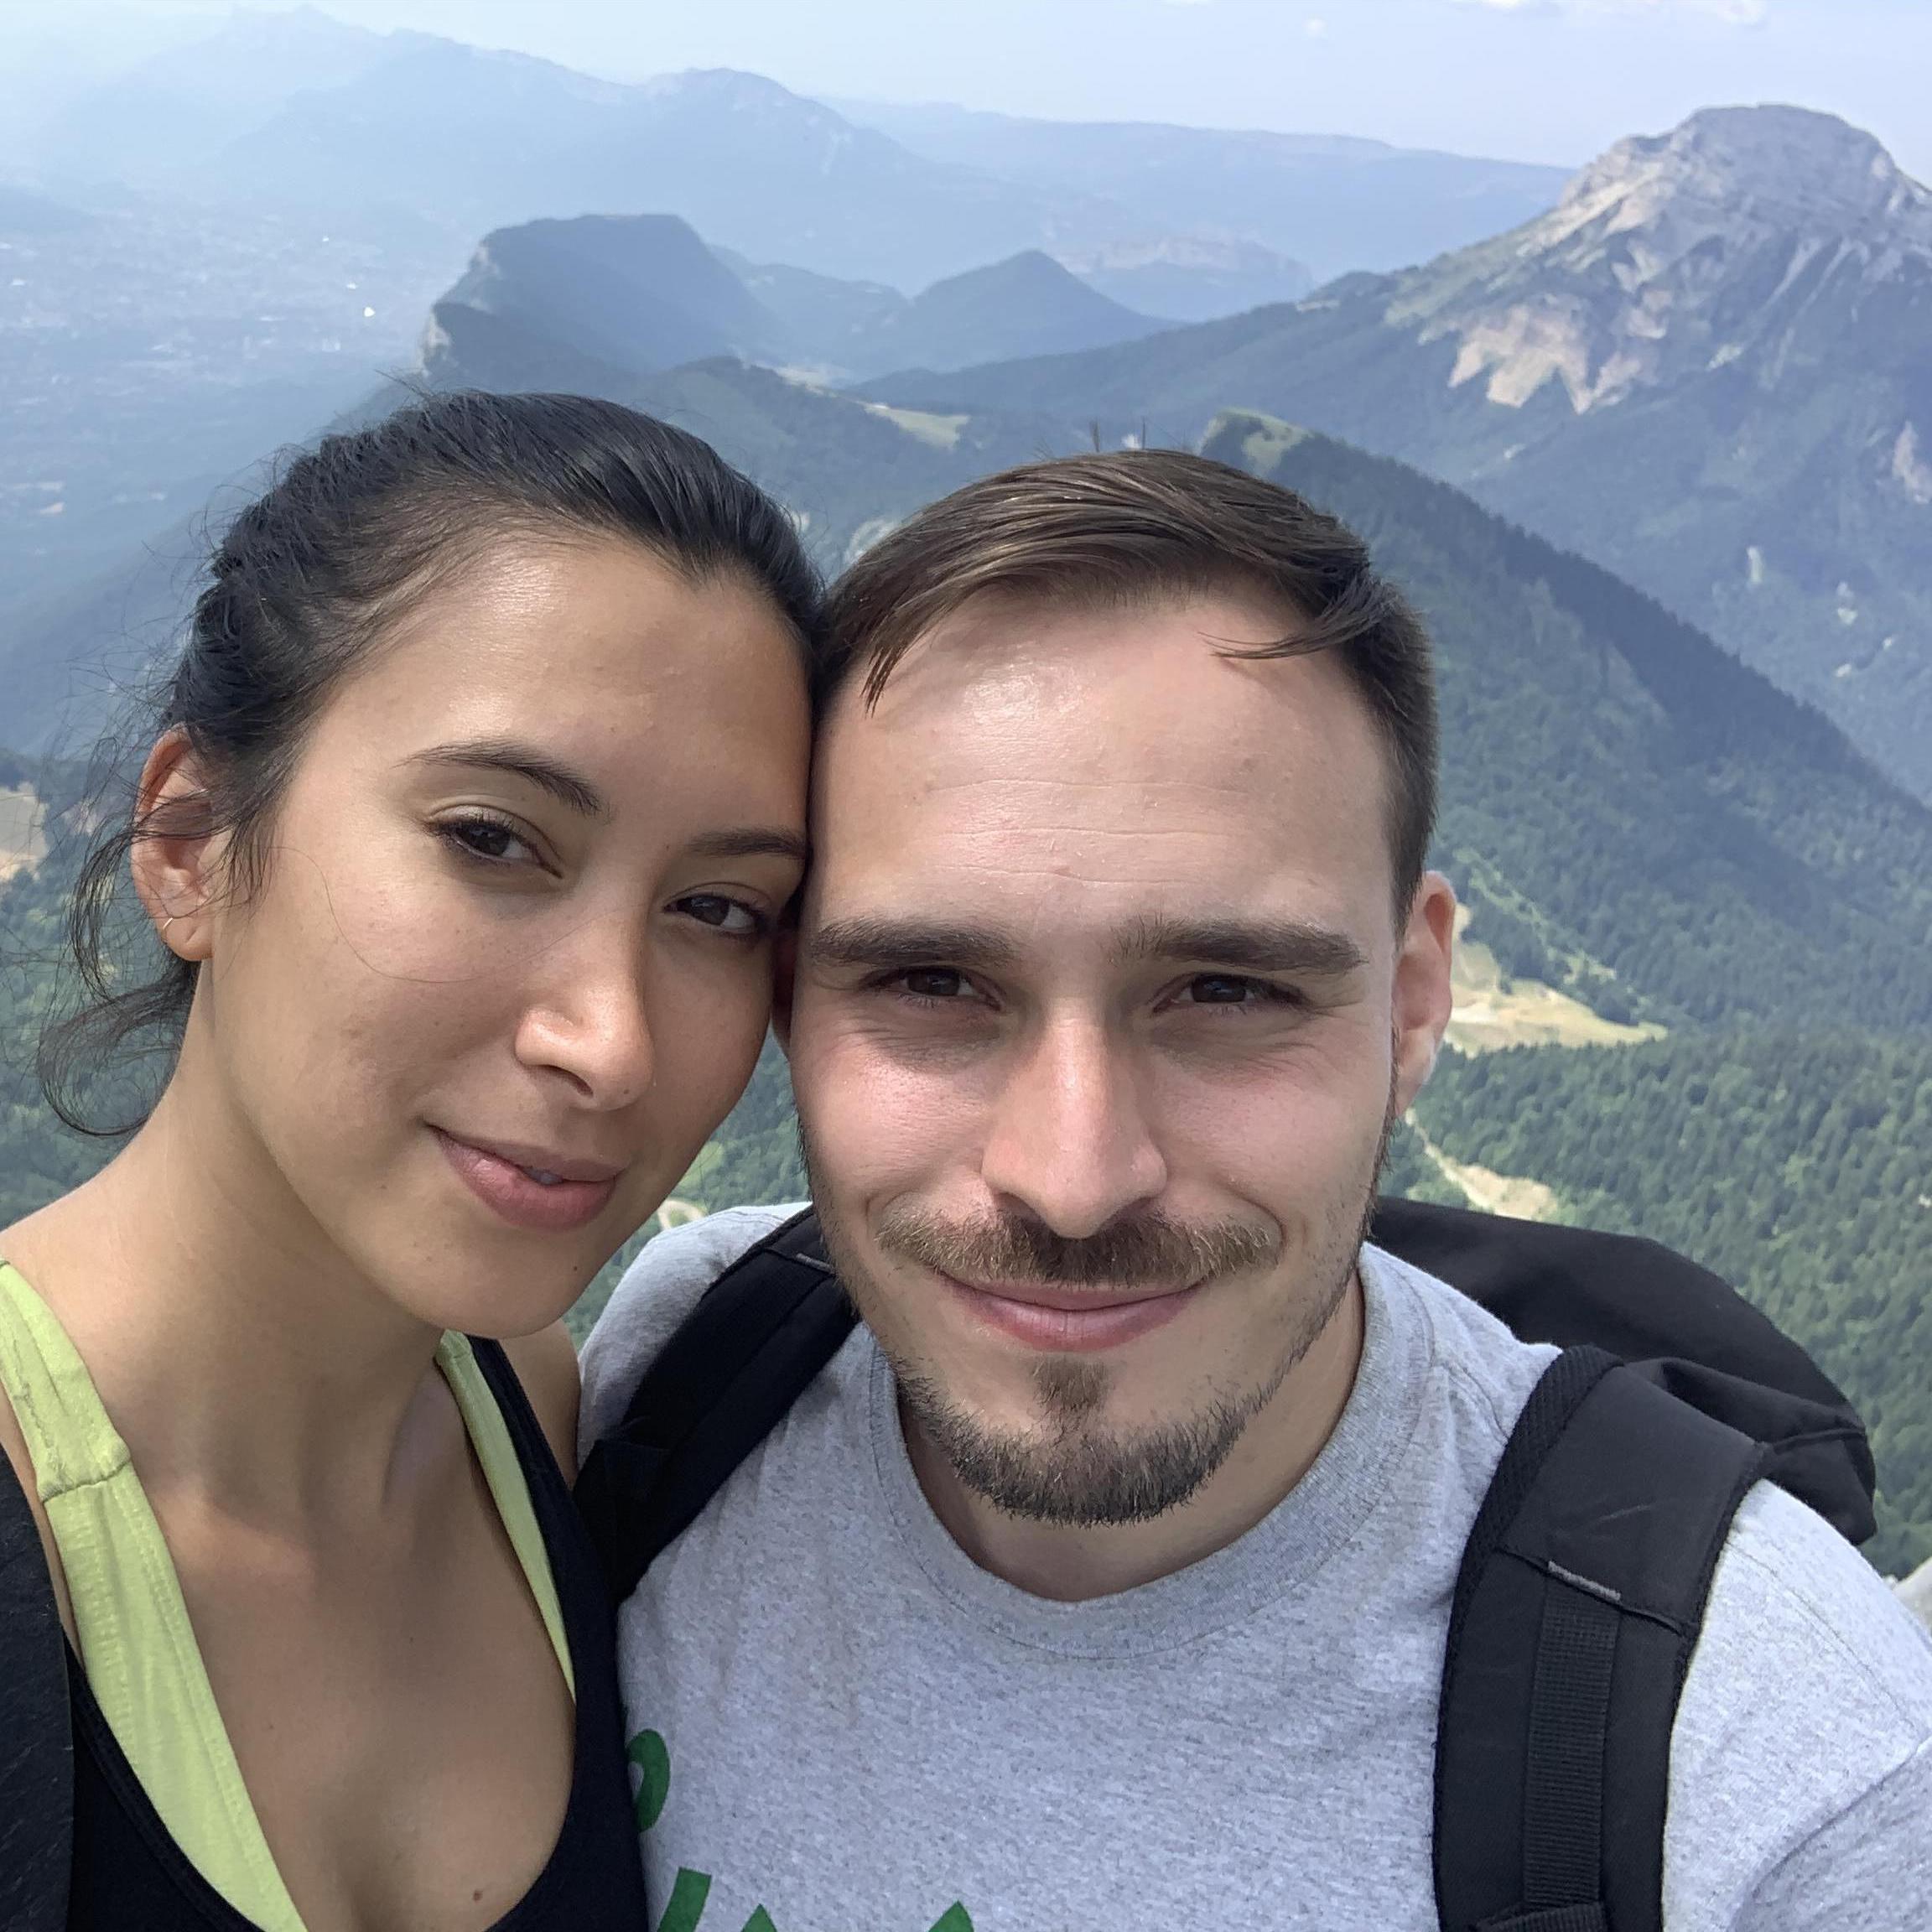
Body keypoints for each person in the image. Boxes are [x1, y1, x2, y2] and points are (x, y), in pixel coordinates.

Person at [581, 449, 1932, 1929]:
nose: (1076, 1179)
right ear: (790, 1001)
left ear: (1416, 1002)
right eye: (931, 981)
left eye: (1226, 989)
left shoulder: (1797, 1791)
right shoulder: (690, 1376)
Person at [0, 391, 821, 1931]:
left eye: (719, 909)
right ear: (187, 842)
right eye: (492, 839)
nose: (614, 1043)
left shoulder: (546, 1410)